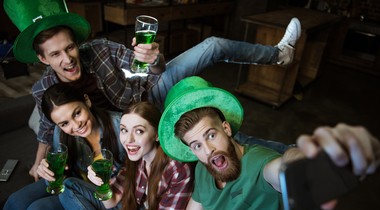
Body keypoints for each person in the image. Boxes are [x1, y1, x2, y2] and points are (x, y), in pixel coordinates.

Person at [4, 0, 302, 181]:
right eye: (55, 55)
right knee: (205, 127)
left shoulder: (99, 49)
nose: (67, 59)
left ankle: (279, 54)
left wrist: (155, 59)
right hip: (132, 125)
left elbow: (144, 69)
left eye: (69, 48)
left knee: (213, 45)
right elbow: (46, 130)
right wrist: (37, 163)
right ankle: (289, 153)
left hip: (149, 91)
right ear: (43, 59)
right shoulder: (45, 88)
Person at [142, 76, 380, 210]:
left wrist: (314, 161)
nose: (208, 150)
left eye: (211, 135)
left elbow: (285, 168)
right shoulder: (203, 170)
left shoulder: (260, 163)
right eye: (196, 145)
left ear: (226, 128)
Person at [0, 83, 125, 210]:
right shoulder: (61, 133)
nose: (76, 125)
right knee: (15, 201)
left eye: (77, 113)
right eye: (65, 123)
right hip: (73, 183)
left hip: (106, 199)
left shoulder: (122, 127)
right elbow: (64, 171)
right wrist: (48, 169)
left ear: (87, 101)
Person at [60, 101, 194, 210]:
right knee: (69, 185)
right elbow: (112, 201)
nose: (128, 139)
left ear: (157, 134)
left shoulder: (177, 168)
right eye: (124, 130)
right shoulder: (135, 158)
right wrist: (102, 185)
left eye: (139, 131)